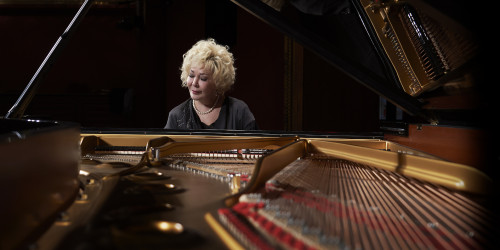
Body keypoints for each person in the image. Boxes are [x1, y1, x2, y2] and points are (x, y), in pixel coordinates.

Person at [164, 38, 258, 130]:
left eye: (203, 78)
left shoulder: (239, 111)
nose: (194, 83)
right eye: (191, 75)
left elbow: (256, 145)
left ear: (218, 82)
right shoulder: (176, 116)